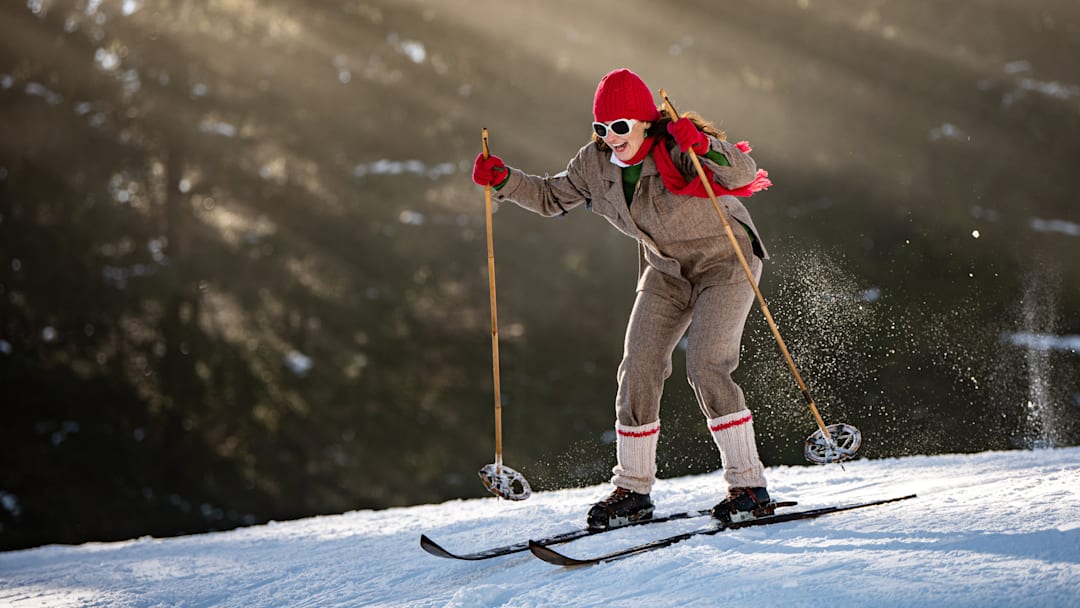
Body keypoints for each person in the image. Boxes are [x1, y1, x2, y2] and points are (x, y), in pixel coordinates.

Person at [472, 68, 774, 529]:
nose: (610, 138)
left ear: (645, 122)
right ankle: (632, 490)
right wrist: (505, 181)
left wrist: (706, 146)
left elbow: (743, 172)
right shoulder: (594, 163)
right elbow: (553, 196)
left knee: (707, 366)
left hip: (724, 262)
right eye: (600, 127)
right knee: (639, 368)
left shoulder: (677, 145)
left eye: (619, 126)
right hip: (665, 270)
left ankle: (748, 485)